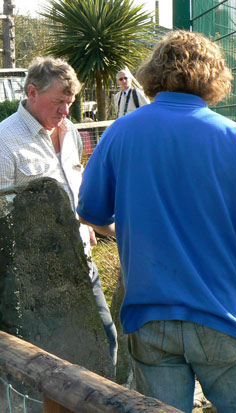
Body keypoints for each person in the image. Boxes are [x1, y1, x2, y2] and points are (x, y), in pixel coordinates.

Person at [77, 30, 236, 412]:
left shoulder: (120, 132)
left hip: (149, 317)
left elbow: (90, 212)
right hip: (225, 316)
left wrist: (126, 232)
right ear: (215, 78)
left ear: (153, 73)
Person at [0, 56, 118, 371]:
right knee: (51, 363)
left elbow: (73, 188)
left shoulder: (71, 132)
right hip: (36, 275)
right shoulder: (4, 140)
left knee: (106, 342)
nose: (65, 111)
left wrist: (85, 225)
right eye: (57, 102)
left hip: (82, 261)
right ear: (32, 92)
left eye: (70, 102)